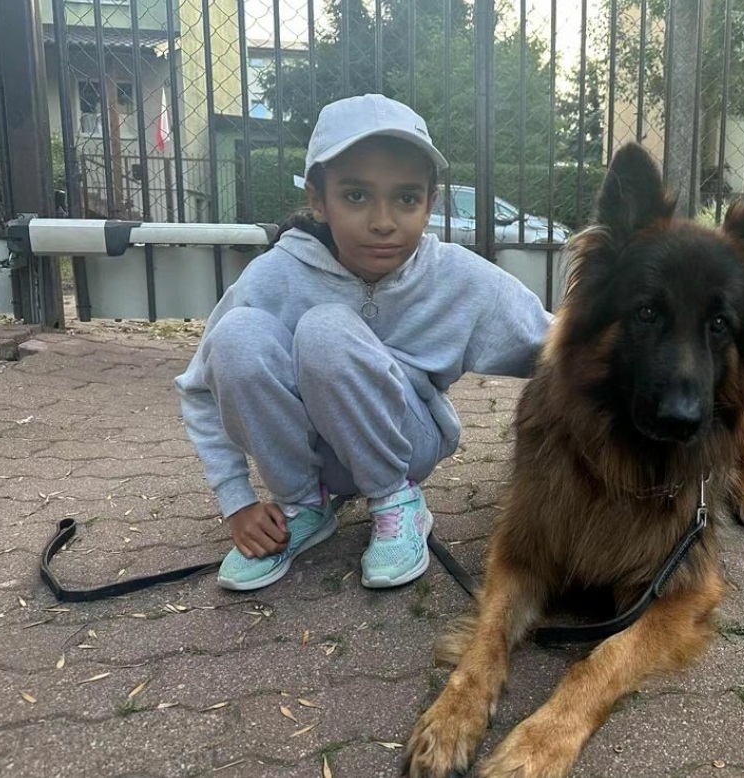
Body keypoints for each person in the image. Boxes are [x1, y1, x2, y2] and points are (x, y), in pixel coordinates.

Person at [175, 94, 551, 592]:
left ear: (431, 204)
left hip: (406, 443)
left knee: (325, 329)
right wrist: (237, 501)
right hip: (312, 458)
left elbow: (559, 348)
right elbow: (200, 386)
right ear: (318, 200)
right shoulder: (275, 275)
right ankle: (303, 507)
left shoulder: (460, 278)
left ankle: (397, 502)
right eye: (356, 196)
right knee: (236, 335)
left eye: (406, 199)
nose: (382, 221)